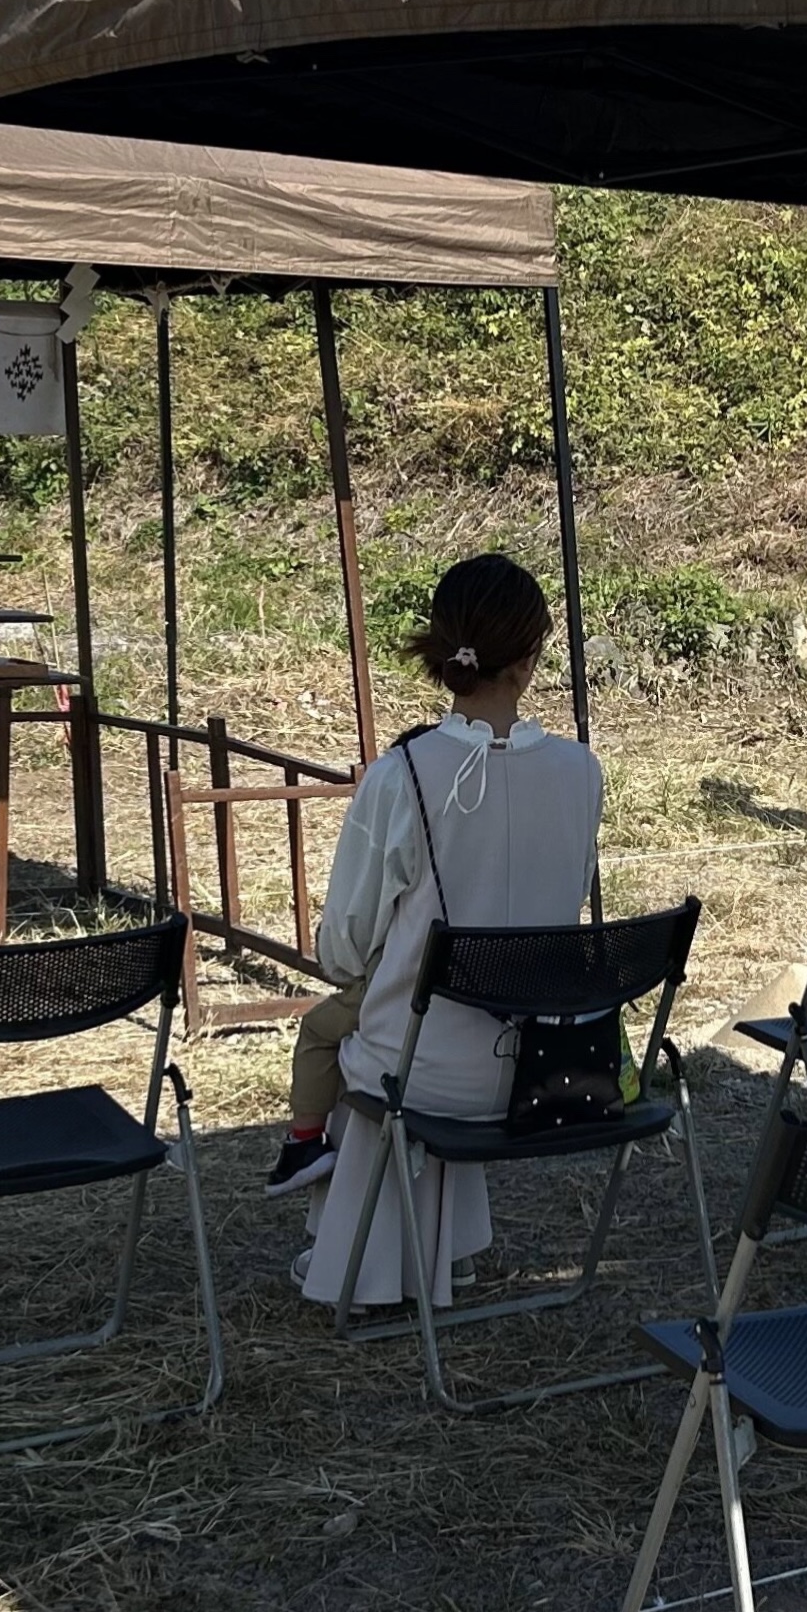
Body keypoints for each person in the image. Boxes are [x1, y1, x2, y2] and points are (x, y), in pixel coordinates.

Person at [281, 553, 603, 1309]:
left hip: (419, 1070)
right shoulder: (581, 772)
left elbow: (343, 947)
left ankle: (361, 1259)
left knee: (370, 1037)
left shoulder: (404, 772)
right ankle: (446, 1249)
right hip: (543, 1069)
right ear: (529, 661)